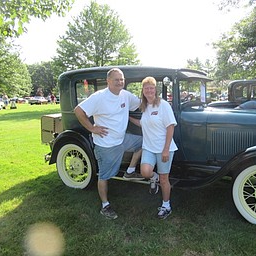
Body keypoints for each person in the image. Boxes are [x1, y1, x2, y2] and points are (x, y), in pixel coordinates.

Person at [74, 68, 143, 220]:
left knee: (144, 143)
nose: (120, 82)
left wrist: (159, 105)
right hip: (106, 144)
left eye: (122, 79)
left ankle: (130, 171)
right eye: (116, 79)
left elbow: (140, 103)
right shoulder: (99, 97)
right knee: (105, 176)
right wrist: (92, 128)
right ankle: (105, 206)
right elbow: (79, 111)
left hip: (122, 139)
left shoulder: (125, 95)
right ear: (108, 81)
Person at [129, 76, 178, 220]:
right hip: (149, 147)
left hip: (164, 148)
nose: (149, 90)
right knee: (145, 172)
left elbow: (170, 127)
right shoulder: (145, 107)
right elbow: (143, 124)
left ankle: (166, 206)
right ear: (143, 91)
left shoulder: (163, 105)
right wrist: (128, 118)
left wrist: (165, 149)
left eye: (151, 88)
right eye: (146, 88)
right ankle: (153, 178)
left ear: (155, 90)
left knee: (164, 179)